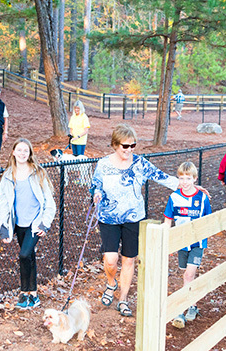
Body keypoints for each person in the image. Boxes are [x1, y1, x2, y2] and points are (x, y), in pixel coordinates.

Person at [90, 124, 180, 317]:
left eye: (133, 146)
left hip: (133, 218)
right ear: (115, 144)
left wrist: (189, 187)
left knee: (129, 260)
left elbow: (162, 177)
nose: (129, 150)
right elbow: (95, 184)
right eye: (125, 146)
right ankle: (111, 283)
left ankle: (123, 299)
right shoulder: (104, 164)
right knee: (111, 259)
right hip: (108, 217)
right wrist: (96, 193)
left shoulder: (140, 163)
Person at [0, 139, 56, 309]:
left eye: (26, 151)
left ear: (29, 154)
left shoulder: (38, 173)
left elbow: (49, 202)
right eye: (19, 150)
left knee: (24, 255)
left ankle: (24, 293)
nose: (22, 154)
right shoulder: (8, 176)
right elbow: (4, 203)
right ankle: (34, 295)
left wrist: (45, 224)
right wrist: (4, 226)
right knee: (29, 256)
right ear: (13, 152)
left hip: (34, 223)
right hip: (18, 224)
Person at [163, 162, 212, 328]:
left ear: (195, 179)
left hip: (197, 242)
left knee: (188, 275)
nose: (185, 182)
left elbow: (208, 219)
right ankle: (193, 303)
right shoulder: (174, 197)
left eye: (188, 178)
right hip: (181, 243)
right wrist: (166, 240)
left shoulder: (202, 197)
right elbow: (168, 219)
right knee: (186, 274)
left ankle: (183, 309)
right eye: (181, 178)